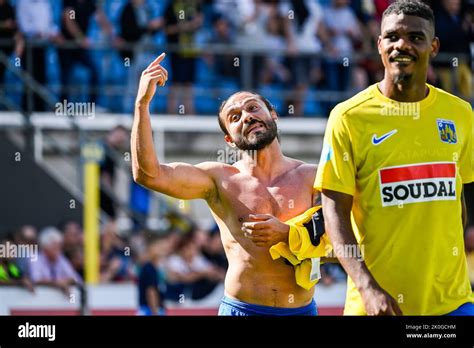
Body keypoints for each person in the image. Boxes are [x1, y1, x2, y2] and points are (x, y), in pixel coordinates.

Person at [315, 0, 474, 315]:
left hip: (452, 303)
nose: (402, 45)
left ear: (433, 46)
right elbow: (333, 212)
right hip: (376, 305)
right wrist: (367, 287)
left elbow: (461, 201)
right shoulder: (348, 117)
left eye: (415, 37)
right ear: (379, 44)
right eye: (392, 37)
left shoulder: (460, 113)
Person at [132, 53, 321, 316]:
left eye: (253, 108)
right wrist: (142, 104)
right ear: (229, 140)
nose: (246, 116)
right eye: (234, 117)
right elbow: (148, 174)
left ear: (274, 115)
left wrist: (289, 235)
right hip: (241, 309)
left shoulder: (313, 177)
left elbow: (344, 243)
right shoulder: (219, 179)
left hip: (301, 310)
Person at [30, 226, 82, 296]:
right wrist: (56, 283)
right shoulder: (35, 258)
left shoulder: (61, 258)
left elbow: (76, 279)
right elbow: (35, 279)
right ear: (45, 247)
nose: (58, 249)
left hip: (56, 301)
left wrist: (66, 282)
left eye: (59, 246)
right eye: (55, 246)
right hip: (37, 299)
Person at [137, 232, 173, 316]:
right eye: (160, 247)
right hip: (150, 310)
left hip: (156, 309)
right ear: (151, 248)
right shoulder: (149, 268)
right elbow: (151, 291)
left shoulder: (158, 267)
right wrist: (155, 312)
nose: (163, 250)